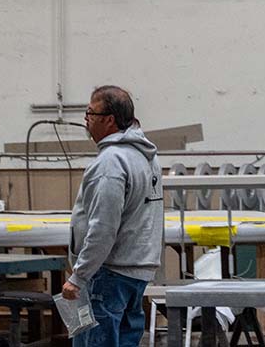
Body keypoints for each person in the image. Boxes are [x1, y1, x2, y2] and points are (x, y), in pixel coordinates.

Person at [61, 86, 164, 347]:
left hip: (106, 275)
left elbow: (103, 228)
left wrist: (79, 276)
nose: (86, 119)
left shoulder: (110, 162)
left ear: (109, 119)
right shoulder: (146, 157)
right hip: (136, 274)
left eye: (90, 113)